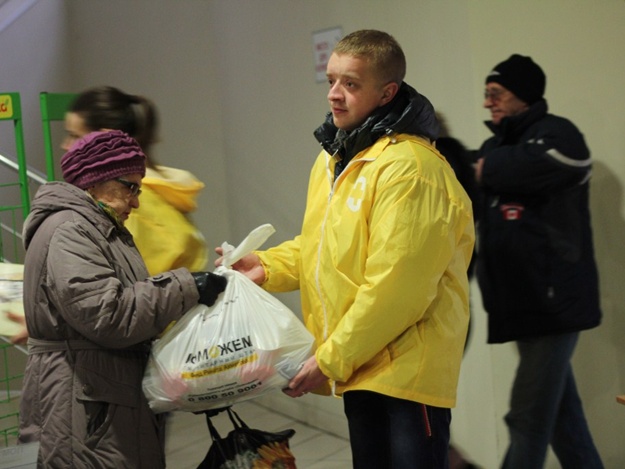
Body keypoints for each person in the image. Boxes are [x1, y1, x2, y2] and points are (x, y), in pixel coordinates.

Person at [218, 30, 474, 468]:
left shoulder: (411, 169)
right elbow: (322, 249)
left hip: (405, 373)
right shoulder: (336, 158)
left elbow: (397, 289)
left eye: (351, 84)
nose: (335, 95)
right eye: (332, 81)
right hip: (363, 366)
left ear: (386, 92)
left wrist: (330, 359)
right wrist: (264, 266)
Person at [18, 130, 226, 468]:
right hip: (79, 410)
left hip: (96, 398)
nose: (136, 200)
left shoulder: (96, 226)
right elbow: (108, 315)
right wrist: (187, 287)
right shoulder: (70, 231)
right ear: (94, 181)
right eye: (130, 186)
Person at [475, 54, 603, 468]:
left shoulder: (558, 135)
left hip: (555, 304)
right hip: (519, 303)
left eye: (496, 95)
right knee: (564, 420)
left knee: (527, 417)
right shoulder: (499, 146)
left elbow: (561, 163)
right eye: (486, 94)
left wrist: (484, 166)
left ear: (524, 97)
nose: (487, 103)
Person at [63, 85, 208, 276]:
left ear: (104, 139)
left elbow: (137, 287)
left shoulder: (127, 204)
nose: (65, 146)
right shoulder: (152, 189)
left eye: (75, 136)